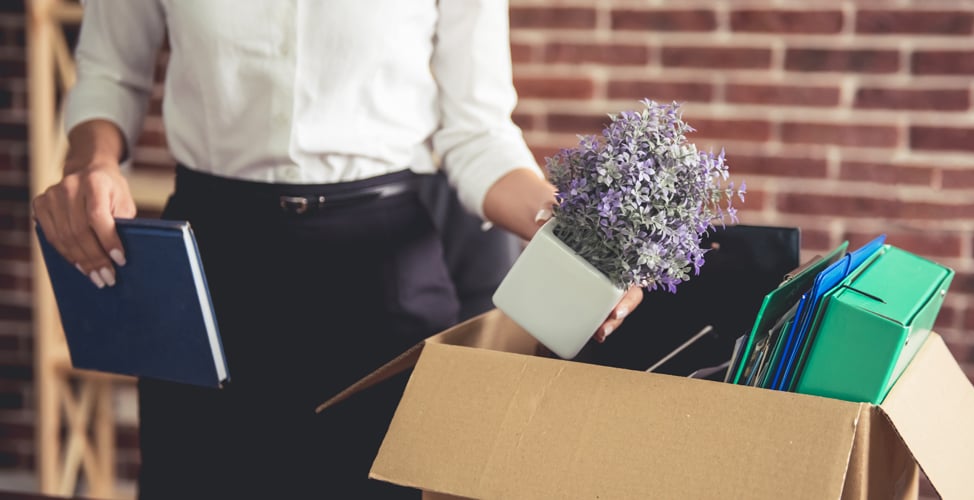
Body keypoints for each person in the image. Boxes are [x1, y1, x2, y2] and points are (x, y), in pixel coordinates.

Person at [32, 2, 643, 498]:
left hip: (380, 274)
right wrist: (92, 163)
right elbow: (110, 72)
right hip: (211, 271)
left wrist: (568, 230)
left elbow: (477, 133)